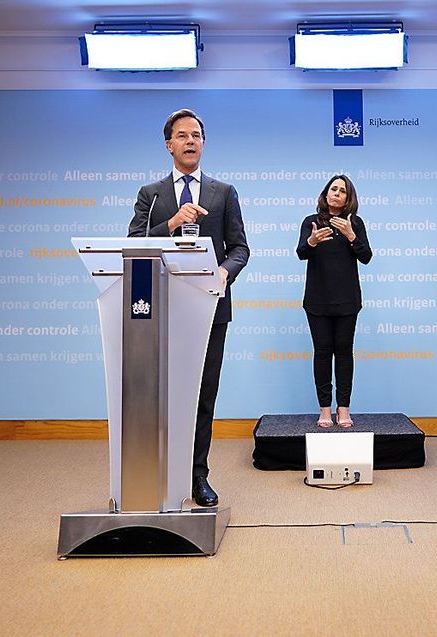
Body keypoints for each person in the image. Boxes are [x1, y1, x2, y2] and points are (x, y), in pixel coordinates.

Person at [127, 108, 249, 508]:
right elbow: (134, 242)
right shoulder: (153, 194)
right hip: (159, 308)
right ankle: (161, 472)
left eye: (196, 134)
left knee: (202, 394)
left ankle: (198, 475)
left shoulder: (223, 192)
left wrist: (224, 273)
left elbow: (240, 248)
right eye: (182, 135)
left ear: (203, 142)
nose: (191, 141)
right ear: (169, 145)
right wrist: (172, 223)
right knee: (162, 393)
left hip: (209, 307)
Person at [296, 175, 373, 428]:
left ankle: (343, 410)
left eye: (342, 190)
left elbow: (366, 257)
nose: (337, 193)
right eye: (333, 189)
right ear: (326, 193)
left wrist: (351, 235)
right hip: (318, 300)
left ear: (348, 198)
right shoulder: (311, 222)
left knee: (343, 353)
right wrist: (312, 241)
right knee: (321, 352)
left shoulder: (355, 223)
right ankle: (325, 410)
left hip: (348, 300)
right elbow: (301, 253)